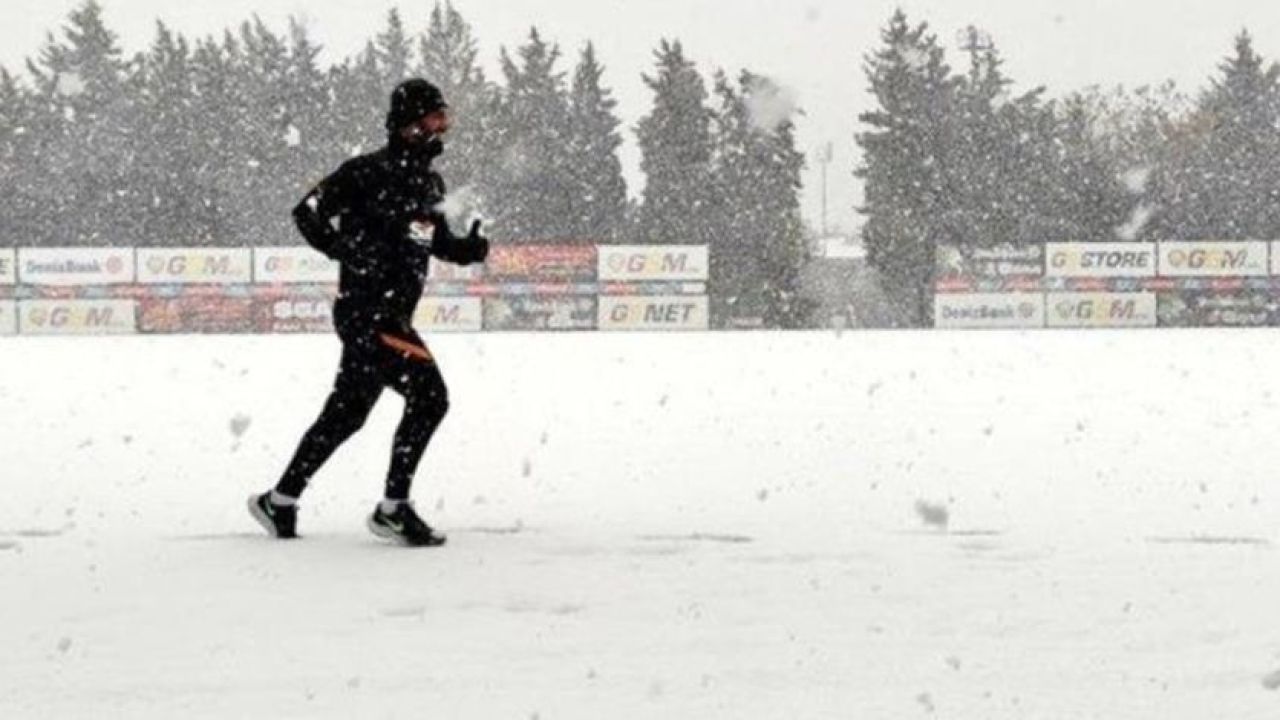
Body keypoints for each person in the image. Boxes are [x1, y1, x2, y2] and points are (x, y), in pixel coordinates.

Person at [249, 79, 489, 547]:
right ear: (410, 124)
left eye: (445, 118)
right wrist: (342, 248)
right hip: (367, 316)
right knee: (430, 397)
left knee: (347, 414)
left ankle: (279, 501)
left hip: (393, 318)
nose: (443, 127)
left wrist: (469, 249)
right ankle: (393, 509)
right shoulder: (364, 172)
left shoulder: (430, 183)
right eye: (436, 118)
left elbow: (434, 242)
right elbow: (307, 211)